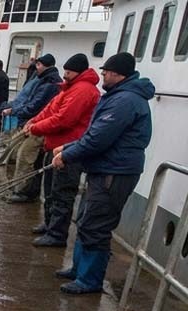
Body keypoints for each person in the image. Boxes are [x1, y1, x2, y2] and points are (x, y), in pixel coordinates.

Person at [52, 52, 155, 294]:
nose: (103, 76)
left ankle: (90, 280)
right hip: (103, 169)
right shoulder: (117, 96)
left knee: (97, 225)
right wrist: (67, 147)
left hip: (114, 172)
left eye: (105, 72)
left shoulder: (125, 101)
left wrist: (67, 155)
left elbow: (99, 139)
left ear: (118, 74)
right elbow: (93, 134)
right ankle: (79, 269)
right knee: (86, 219)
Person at [25, 53, 99, 248]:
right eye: (64, 71)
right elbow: (51, 109)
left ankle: (57, 234)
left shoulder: (83, 90)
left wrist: (35, 128)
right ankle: (50, 225)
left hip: (69, 151)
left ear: (78, 72)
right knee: (50, 190)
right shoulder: (69, 88)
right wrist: (34, 120)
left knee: (62, 192)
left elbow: (64, 119)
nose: (64, 75)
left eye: (68, 72)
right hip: (54, 147)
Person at [4, 54, 62, 202]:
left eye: (38, 65)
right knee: (31, 158)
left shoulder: (49, 83)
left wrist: (16, 111)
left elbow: (35, 105)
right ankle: (26, 189)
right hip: (35, 123)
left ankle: (23, 191)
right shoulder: (44, 80)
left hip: (39, 128)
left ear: (46, 66)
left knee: (25, 156)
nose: (37, 68)